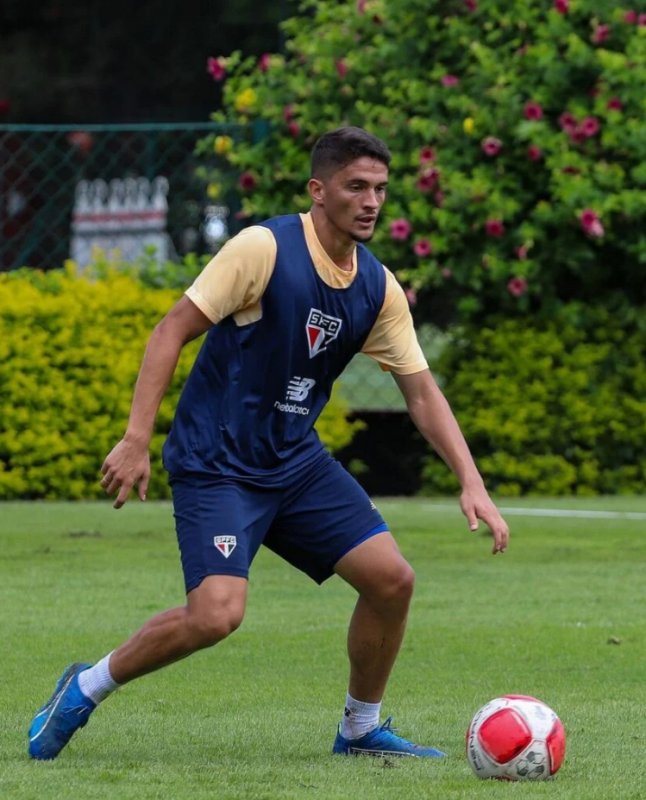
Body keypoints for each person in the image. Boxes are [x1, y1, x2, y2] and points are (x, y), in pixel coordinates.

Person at [28, 126, 509, 761]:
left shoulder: (378, 289)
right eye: (356, 187)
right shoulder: (263, 249)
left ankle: (360, 730)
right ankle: (84, 688)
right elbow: (170, 332)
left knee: (392, 580)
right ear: (318, 190)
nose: (371, 202)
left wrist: (471, 482)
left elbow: (421, 393)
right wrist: (136, 438)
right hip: (218, 462)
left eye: (381, 190)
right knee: (216, 616)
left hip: (295, 462)